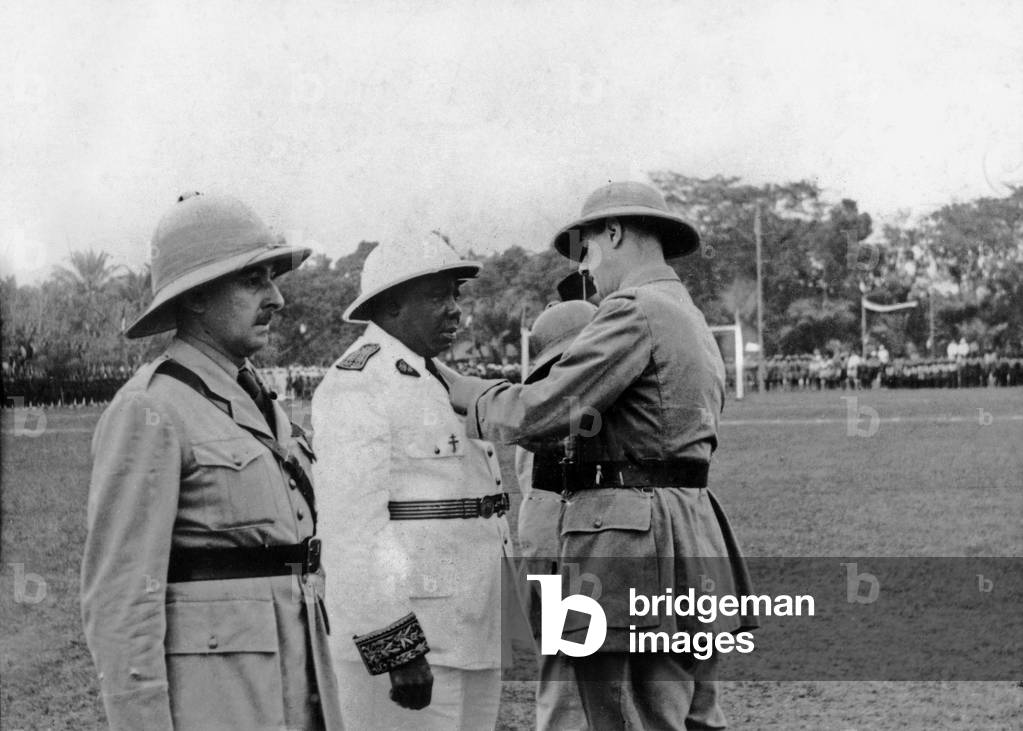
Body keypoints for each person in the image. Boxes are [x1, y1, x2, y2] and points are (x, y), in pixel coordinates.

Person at [447, 181, 755, 730]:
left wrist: (465, 389)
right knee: (681, 715)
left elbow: (540, 412)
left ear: (613, 233)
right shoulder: (685, 312)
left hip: (631, 545)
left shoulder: (634, 309)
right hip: (687, 535)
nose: (585, 268)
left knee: (619, 718)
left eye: (585, 249)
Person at [81, 193, 340, 730]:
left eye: (273, 279)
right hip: (219, 705)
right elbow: (121, 601)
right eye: (253, 280)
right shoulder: (150, 409)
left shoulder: (258, 400)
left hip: (297, 692)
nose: (276, 299)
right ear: (197, 296)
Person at [312, 234, 512, 730]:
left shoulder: (439, 377)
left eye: (455, 295)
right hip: (412, 643)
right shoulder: (359, 382)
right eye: (436, 296)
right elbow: (351, 530)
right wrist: (395, 646)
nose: (455, 309)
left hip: (469, 631)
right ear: (391, 305)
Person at [515, 300, 597, 731]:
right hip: (564, 552)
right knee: (570, 686)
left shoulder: (540, 405)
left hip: (549, 549)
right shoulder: (564, 413)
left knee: (566, 681)